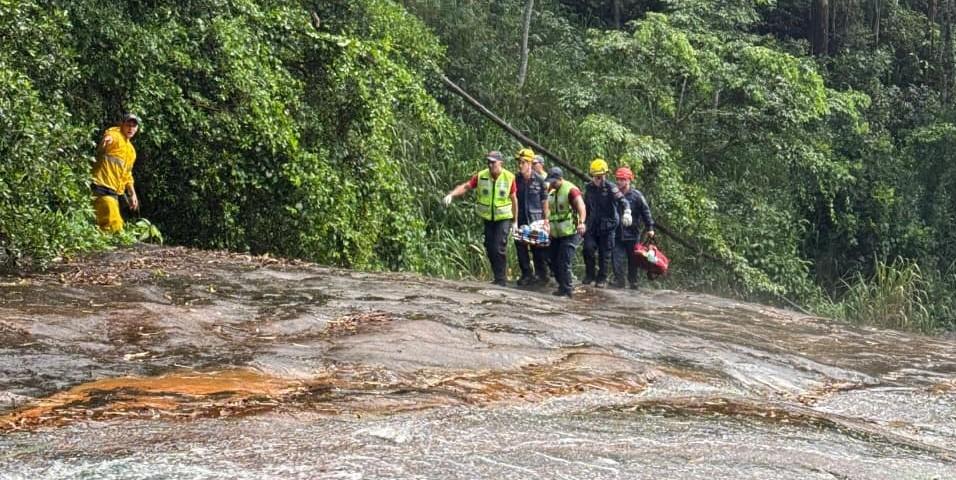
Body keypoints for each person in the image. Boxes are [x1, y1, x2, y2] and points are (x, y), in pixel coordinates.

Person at [443, 151, 518, 287]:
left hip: (503, 217)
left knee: (498, 247)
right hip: (488, 218)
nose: (490, 165)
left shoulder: (509, 177)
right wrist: (452, 195)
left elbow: (514, 199)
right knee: (489, 247)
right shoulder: (482, 176)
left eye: (493, 162)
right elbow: (466, 186)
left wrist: (515, 221)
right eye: (488, 162)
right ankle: (497, 277)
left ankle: (501, 280)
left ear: (500, 163)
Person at [582, 158, 631, 288]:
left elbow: (623, 201)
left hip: (608, 226)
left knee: (605, 254)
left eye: (600, 176)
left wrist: (627, 212)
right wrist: (582, 222)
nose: (598, 179)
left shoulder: (611, 188)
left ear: (604, 175)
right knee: (588, 249)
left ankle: (601, 278)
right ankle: (589, 274)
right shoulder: (589, 188)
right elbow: (585, 206)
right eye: (595, 176)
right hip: (592, 225)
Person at [91, 113, 141, 232]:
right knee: (114, 224)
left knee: (109, 223)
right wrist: (105, 142)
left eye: (133, 126)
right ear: (122, 125)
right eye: (128, 125)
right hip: (100, 186)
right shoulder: (115, 135)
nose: (130, 128)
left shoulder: (131, 151)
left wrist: (132, 194)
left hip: (113, 191)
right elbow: (108, 139)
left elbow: (127, 175)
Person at [545, 167, 586, 298]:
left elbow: (581, 206)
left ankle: (568, 290)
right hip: (556, 233)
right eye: (550, 181)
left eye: (554, 182)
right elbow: (549, 211)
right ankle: (561, 286)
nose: (552, 184)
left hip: (571, 231)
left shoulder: (571, 190)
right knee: (553, 260)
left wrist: (581, 222)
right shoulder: (551, 191)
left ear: (560, 179)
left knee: (564, 260)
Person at [611, 166, 655, 289]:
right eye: (618, 179)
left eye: (622, 179)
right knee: (617, 259)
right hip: (617, 233)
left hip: (633, 234)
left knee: (633, 260)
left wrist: (650, 228)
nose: (619, 181)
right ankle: (619, 281)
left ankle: (633, 282)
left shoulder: (637, 196)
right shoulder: (614, 195)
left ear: (628, 180)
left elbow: (646, 212)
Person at [513, 148, 550, 286]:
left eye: (523, 162)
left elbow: (544, 201)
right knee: (520, 247)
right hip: (520, 217)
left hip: (535, 217)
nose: (520, 165)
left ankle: (542, 275)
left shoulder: (540, 180)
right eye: (519, 162)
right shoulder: (516, 179)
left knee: (537, 248)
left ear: (530, 163)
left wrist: (546, 220)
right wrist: (514, 220)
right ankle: (526, 274)